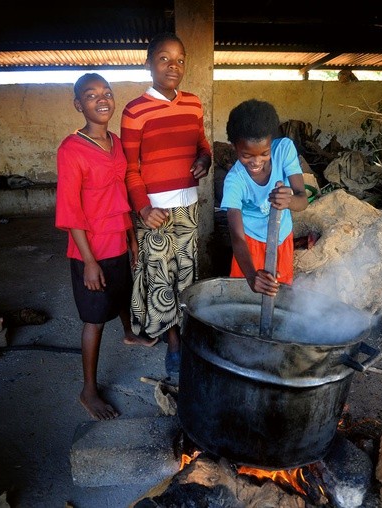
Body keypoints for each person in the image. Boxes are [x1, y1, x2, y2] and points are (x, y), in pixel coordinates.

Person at [55, 73, 157, 421]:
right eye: (91, 94)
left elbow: (121, 196)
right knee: (94, 319)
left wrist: (130, 237)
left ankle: (129, 334)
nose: (102, 99)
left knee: (123, 292)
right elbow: (70, 211)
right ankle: (88, 390)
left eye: (107, 93)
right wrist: (88, 262)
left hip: (117, 238)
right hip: (91, 249)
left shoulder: (115, 142)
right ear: (78, 104)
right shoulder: (71, 149)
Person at [121, 32, 212, 379]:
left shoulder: (193, 103)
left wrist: (204, 159)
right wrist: (143, 208)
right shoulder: (134, 111)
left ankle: (185, 334)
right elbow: (130, 168)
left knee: (187, 275)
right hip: (154, 212)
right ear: (148, 63)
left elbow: (202, 143)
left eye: (179, 59)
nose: (173, 66)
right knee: (161, 277)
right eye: (163, 58)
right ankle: (173, 343)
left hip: (188, 205)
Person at [220, 99, 309, 297]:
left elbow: (302, 200)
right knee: (244, 297)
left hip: (281, 238)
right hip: (249, 244)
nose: (256, 161)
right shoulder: (234, 181)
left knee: (279, 294)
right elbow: (237, 237)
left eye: (264, 153)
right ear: (234, 146)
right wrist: (251, 275)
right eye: (246, 155)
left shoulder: (284, 150)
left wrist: (290, 201)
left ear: (271, 143)